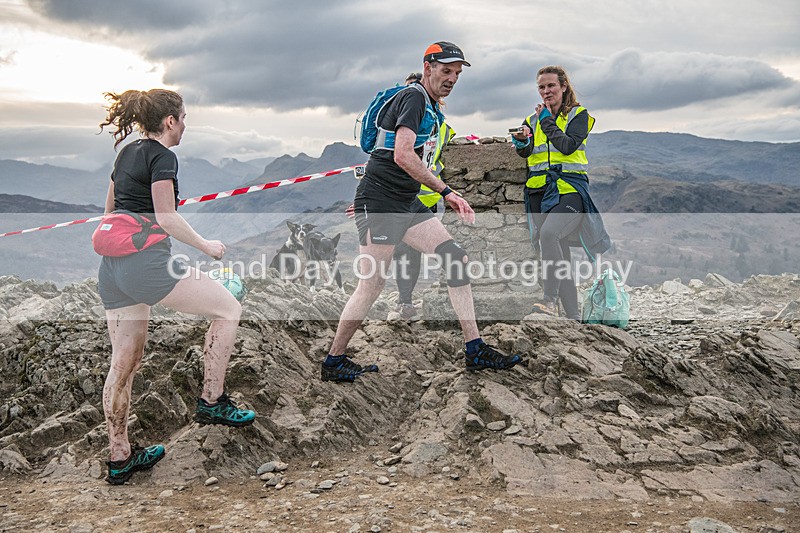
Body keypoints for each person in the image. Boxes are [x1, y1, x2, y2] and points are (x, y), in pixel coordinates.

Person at [323, 42, 523, 383]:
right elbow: (402, 155)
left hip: (404, 201)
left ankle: (474, 348)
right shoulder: (414, 98)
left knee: (454, 258)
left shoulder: (429, 104)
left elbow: (397, 155)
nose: (452, 79)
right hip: (384, 203)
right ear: (427, 66)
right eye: (446, 71)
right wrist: (446, 191)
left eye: (457, 74)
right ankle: (334, 360)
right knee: (371, 285)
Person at [97, 89, 255, 485]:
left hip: (112, 267)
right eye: (183, 117)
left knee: (123, 364)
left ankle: (120, 456)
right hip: (148, 265)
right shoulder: (163, 156)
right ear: (170, 121)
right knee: (228, 309)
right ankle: (212, 401)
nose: (186, 124)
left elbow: (110, 212)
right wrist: (208, 248)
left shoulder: (126, 153)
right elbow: (165, 217)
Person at [511, 66, 597, 320]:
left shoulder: (579, 115)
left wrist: (547, 122)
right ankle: (573, 317)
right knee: (560, 251)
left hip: (570, 190)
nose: (546, 91)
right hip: (539, 191)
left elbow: (568, 147)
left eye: (550, 86)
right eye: (541, 87)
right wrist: (522, 142)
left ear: (563, 87)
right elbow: (527, 154)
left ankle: (549, 301)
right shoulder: (532, 119)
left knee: (549, 235)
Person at [393, 72, 457, 319]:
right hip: (402, 196)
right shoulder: (403, 124)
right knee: (403, 252)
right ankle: (405, 301)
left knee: (413, 251)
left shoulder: (442, 127)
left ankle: (407, 302)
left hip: (423, 198)